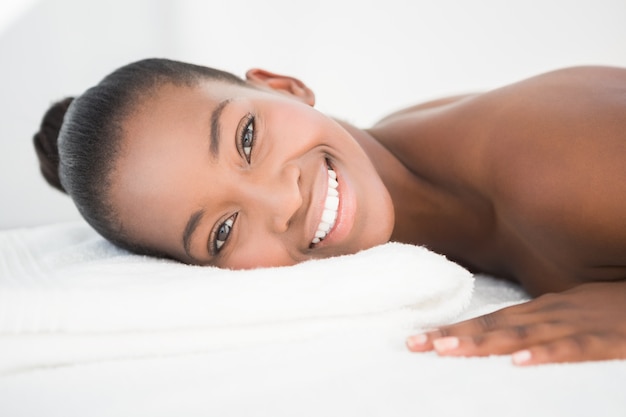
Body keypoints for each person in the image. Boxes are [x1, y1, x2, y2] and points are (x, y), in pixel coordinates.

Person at [34, 58, 626, 366]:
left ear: (284, 87)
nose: (283, 201)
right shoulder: (394, 169)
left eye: (245, 138)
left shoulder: (559, 165)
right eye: (221, 231)